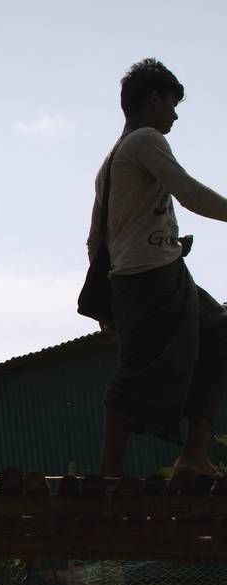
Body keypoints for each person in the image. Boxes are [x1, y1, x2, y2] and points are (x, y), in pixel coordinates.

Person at [92, 58, 227, 478]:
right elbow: (188, 193)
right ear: (152, 100)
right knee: (135, 374)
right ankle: (109, 476)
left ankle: (193, 456)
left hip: (155, 272)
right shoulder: (145, 140)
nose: (174, 114)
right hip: (148, 276)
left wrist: (103, 302)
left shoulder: (112, 160)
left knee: (219, 331)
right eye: (171, 103)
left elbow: (96, 236)